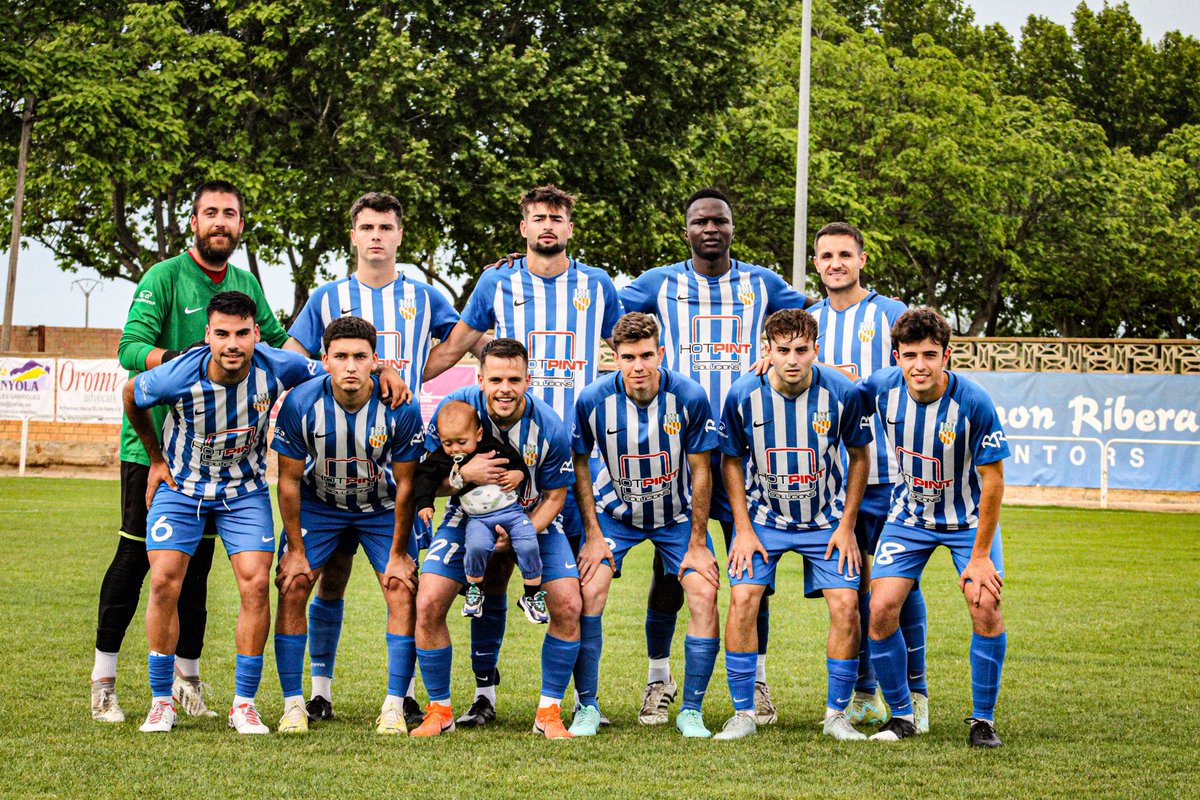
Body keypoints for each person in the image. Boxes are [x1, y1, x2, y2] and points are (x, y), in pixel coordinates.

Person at [422, 185, 620, 727]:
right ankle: (484, 697)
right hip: (498, 456)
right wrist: (391, 378)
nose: (548, 226)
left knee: (579, 589)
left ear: (570, 228)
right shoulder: (497, 281)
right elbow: (457, 345)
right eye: (538, 218)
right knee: (489, 583)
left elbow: (627, 350)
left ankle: (585, 702)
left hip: (569, 454)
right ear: (524, 227)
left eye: (557, 217)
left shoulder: (598, 285)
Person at [93, 180, 289, 723]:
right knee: (139, 560)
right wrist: (189, 364)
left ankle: (186, 681)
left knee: (197, 569)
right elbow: (129, 350)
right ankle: (104, 680)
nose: (220, 222)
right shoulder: (164, 276)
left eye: (230, 213)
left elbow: (277, 342)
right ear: (194, 221)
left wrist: (351, 363)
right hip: (154, 451)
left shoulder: (246, 281)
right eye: (210, 213)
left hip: (222, 465)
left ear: (241, 224)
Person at [618, 187, 813, 725]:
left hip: (751, 456)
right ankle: (659, 679)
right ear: (686, 231)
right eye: (700, 221)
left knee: (753, 576)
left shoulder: (763, 283)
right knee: (670, 577)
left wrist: (771, 355)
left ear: (732, 227)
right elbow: (601, 306)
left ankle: (758, 681)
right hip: (682, 460)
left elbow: (809, 320)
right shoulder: (659, 283)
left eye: (719, 220)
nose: (710, 228)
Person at [283, 191, 459, 725]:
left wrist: (415, 375)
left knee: (401, 581)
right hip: (329, 471)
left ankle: (400, 696)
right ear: (354, 236)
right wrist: (353, 375)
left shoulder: (425, 296)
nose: (377, 236)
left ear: (400, 236)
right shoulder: (328, 296)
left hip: (398, 460)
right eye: (368, 227)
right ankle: (318, 692)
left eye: (387, 226)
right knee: (327, 580)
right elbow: (294, 357)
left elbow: (464, 341)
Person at [123, 291, 326, 734]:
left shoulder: (278, 365)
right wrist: (156, 459)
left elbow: (333, 370)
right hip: (182, 487)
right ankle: (161, 702)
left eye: (241, 334)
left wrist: (386, 373)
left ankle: (244, 704)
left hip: (243, 492)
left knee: (256, 583)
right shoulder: (178, 374)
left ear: (256, 334)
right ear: (207, 335)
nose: (232, 344)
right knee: (162, 581)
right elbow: (131, 395)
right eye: (221, 334)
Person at [410, 338, 582, 739]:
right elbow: (427, 480)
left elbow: (556, 495)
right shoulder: (454, 411)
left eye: (514, 379)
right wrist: (463, 476)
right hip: (465, 512)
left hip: (531, 515)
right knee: (430, 599)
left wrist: (521, 532)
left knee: (570, 604)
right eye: (497, 379)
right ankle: (440, 711)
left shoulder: (550, 426)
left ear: (528, 380)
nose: (505, 388)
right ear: (480, 378)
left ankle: (549, 713)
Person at [712, 308, 870, 740]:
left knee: (846, 606)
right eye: (782, 350)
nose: (793, 359)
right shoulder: (743, 393)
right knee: (743, 598)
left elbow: (859, 457)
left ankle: (836, 715)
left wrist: (846, 525)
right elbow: (731, 461)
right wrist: (742, 529)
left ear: (816, 350)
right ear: (767, 351)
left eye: (801, 349)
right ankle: (743, 713)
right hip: (763, 519)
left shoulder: (841, 392)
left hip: (826, 521)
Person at [860, 308, 1010, 747]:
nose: (920, 365)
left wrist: (980, 557)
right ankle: (902, 715)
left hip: (967, 523)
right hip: (909, 518)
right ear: (896, 356)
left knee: (984, 604)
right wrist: (775, 362)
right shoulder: (881, 390)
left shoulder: (974, 402)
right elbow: (833, 389)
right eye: (910, 355)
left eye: (930, 354)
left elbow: (994, 482)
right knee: (881, 608)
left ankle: (983, 720)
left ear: (947, 355)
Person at [270, 316, 426, 735]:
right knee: (295, 583)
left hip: (380, 509)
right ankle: (296, 704)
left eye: (360, 356)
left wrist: (397, 555)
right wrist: (295, 551)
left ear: (376, 360)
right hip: (320, 506)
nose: (351, 366)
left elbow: (408, 485)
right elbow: (286, 482)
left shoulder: (400, 406)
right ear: (325, 360)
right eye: (341, 356)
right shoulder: (301, 403)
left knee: (401, 586)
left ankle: (395, 704)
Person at [569, 313, 721, 738]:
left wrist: (696, 543)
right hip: (614, 517)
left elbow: (701, 471)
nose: (638, 366)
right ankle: (587, 706)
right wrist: (593, 535)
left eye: (647, 355)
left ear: (662, 353)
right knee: (589, 589)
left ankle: (691, 710)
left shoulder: (689, 396)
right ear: (613, 357)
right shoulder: (592, 399)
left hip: (675, 517)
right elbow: (579, 464)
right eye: (628, 357)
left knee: (704, 592)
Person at [806, 221, 925, 729]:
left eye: (845, 254)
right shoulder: (806, 322)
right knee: (851, 591)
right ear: (815, 263)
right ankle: (864, 693)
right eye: (827, 255)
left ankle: (915, 693)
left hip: (891, 474)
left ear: (862, 259)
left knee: (898, 588)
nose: (836, 263)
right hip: (834, 482)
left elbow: (924, 379)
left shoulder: (891, 313)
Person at [413, 400, 546, 623]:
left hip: (512, 513)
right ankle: (475, 589)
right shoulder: (445, 457)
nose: (455, 449)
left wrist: (518, 475)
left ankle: (532, 595)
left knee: (528, 542)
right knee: (475, 546)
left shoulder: (491, 447)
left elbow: (517, 462)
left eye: (461, 442)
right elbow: (424, 476)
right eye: (448, 443)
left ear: (479, 433)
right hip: (477, 518)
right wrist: (425, 503)